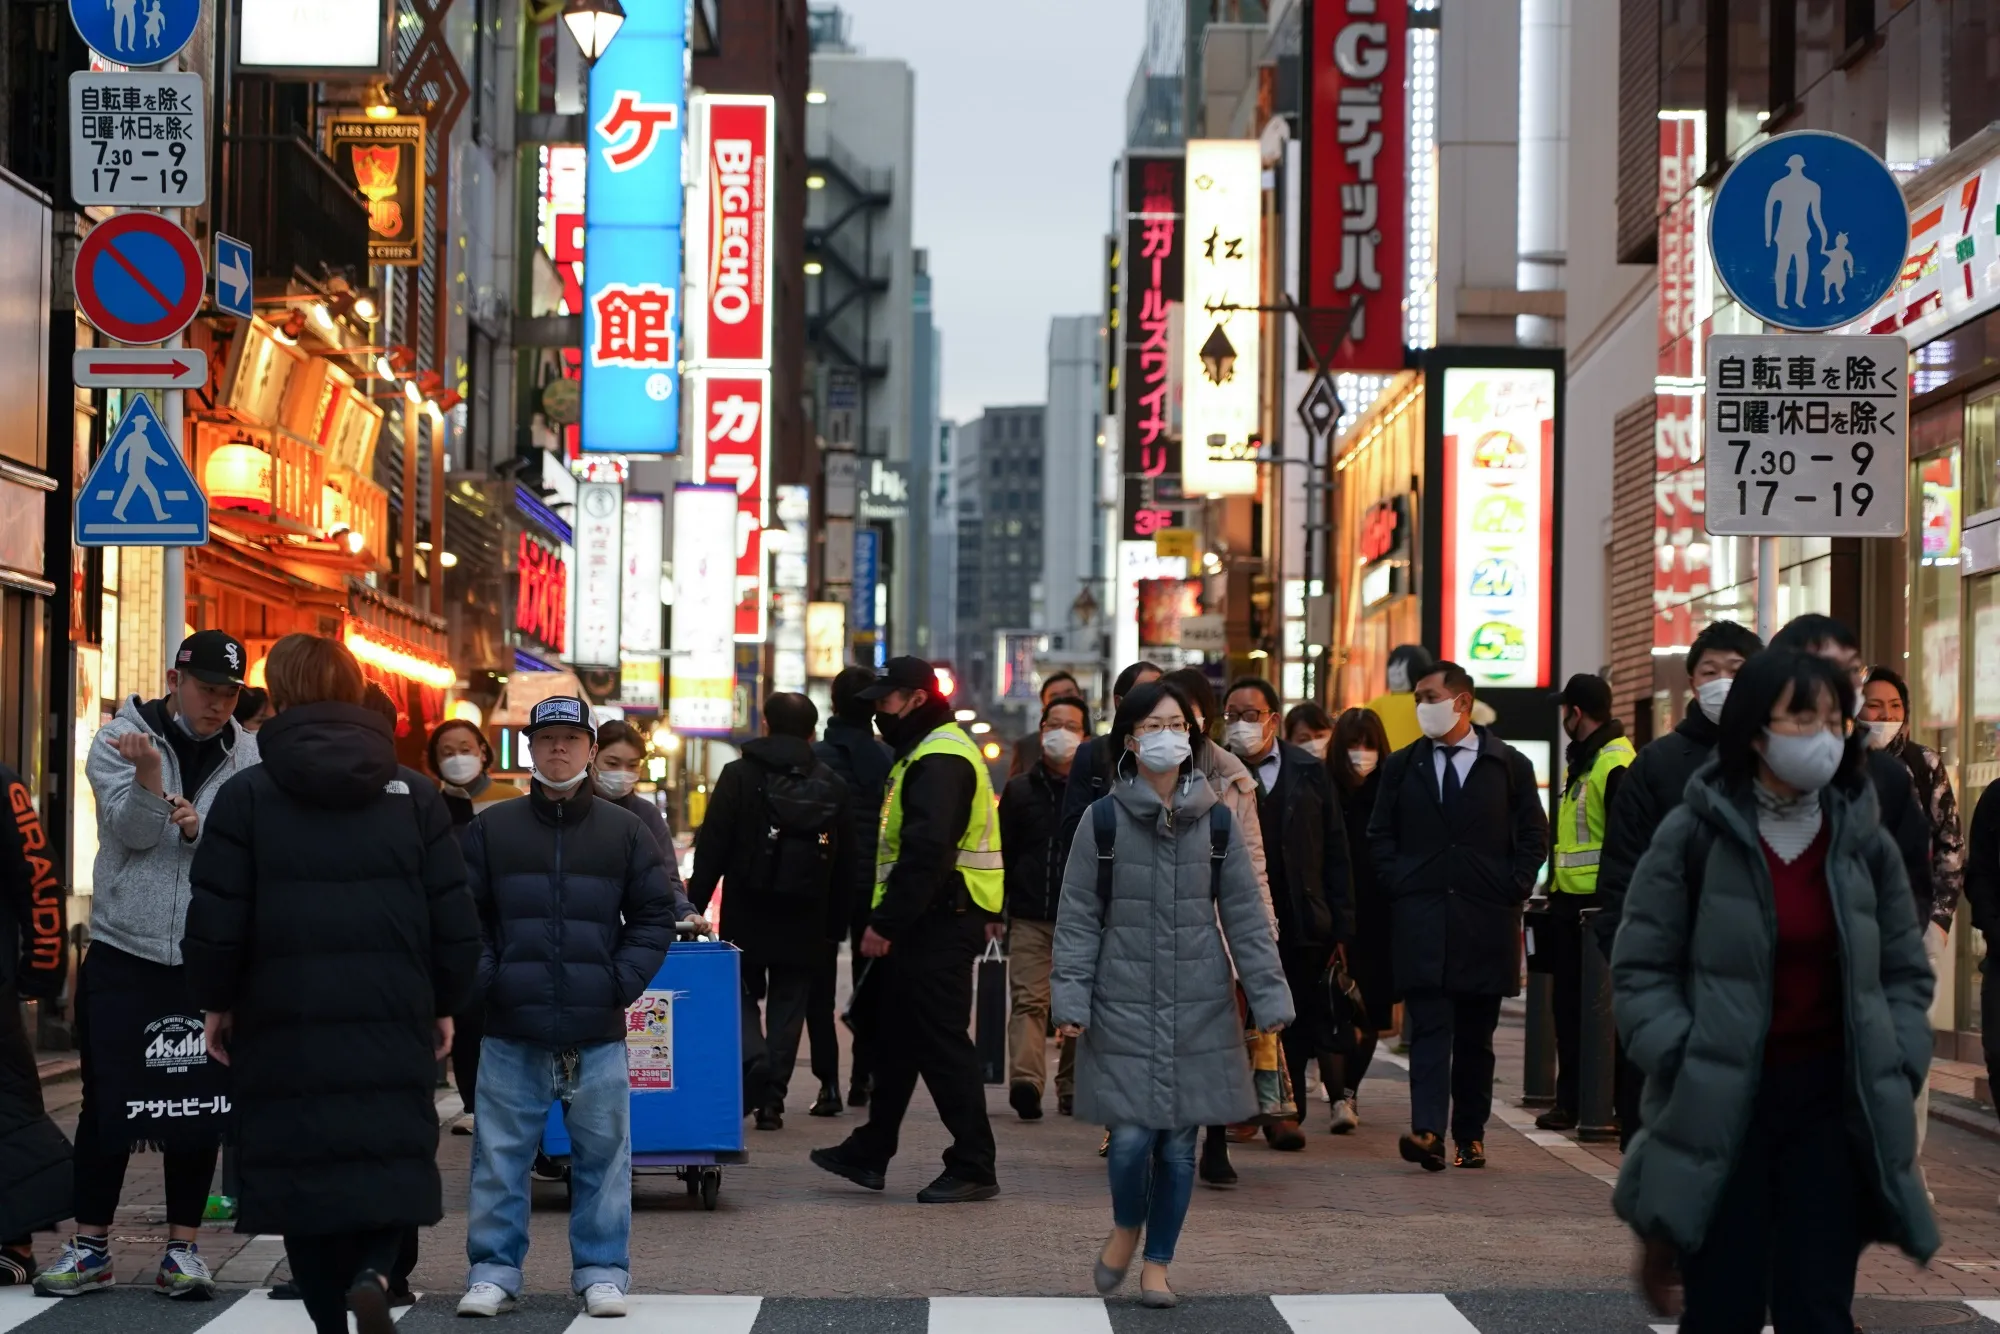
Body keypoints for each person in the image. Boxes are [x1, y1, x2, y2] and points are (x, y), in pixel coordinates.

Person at [1612, 649, 1937, 1328]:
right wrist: (1682, 1052)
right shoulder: (1695, 832)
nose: (1821, 733)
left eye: (1830, 717)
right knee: (1723, 1305)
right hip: (1723, 1107)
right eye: (1800, 717)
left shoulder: (1861, 840)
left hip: (1831, 1110)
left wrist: (1899, 1056)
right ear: (1756, 730)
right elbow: (1642, 966)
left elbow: (1905, 971)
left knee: (1817, 1308)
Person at [182, 634, 479, 1334]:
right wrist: (445, 1002)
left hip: (283, 1015)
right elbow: (454, 915)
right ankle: (376, 1272)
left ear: (278, 695)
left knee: (301, 1179)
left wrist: (216, 1001)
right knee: (386, 1158)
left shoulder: (249, 793)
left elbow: (218, 915)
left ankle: (327, 1322)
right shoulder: (416, 794)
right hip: (391, 1007)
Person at [1052, 679, 1292, 1310]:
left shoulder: (1215, 821)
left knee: (1180, 1148)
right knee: (1130, 1141)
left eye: (1178, 726)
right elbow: (1077, 918)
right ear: (1130, 740)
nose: (1168, 737)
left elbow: (1243, 913)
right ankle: (1127, 1223)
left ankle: (1158, 1264)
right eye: (1154, 727)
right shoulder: (1099, 821)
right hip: (1120, 1001)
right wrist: (1071, 1000)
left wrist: (1269, 998)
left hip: (1200, 1003)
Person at [39, 630, 259, 1299]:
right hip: (123, 947)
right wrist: (149, 783)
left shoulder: (247, 753)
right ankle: (90, 1245)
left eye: (229, 694)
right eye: (207, 690)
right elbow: (131, 834)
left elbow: (237, 848)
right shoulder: (119, 739)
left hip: (203, 953)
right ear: (174, 678)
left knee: (195, 1102)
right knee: (107, 1101)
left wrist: (196, 830)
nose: (218, 705)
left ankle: (183, 1251)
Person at [458, 695, 675, 1319]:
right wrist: (491, 980)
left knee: (604, 1159)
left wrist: (621, 980)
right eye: (547, 737)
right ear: (529, 747)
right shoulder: (491, 828)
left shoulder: (626, 830)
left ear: (587, 746)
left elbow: (655, 917)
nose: (559, 748)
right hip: (510, 1022)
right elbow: (462, 916)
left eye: (571, 738)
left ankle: (602, 1270)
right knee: (499, 1156)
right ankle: (493, 1270)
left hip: (597, 1023)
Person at [810, 657, 1002, 1204]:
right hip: (933, 916)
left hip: (938, 919)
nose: (877, 710)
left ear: (917, 698)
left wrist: (885, 925)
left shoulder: (939, 757)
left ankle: (973, 1162)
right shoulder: (923, 751)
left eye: (887, 699)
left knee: (940, 1041)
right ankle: (871, 1149)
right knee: (895, 1036)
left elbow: (925, 852)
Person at [1369, 660, 1548, 1172]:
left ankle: (1470, 1134)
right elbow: (1380, 835)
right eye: (1418, 699)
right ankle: (1427, 1131)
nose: (1422, 706)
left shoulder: (1508, 764)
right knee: (1427, 1029)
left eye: (1430, 696)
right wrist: (1398, 882)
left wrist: (1513, 884)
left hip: (1485, 920)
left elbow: (1534, 835)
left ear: (1462, 701)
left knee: (1475, 1037)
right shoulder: (1404, 766)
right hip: (1423, 916)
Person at [1594, 619, 1761, 1148]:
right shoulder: (1657, 765)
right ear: (1691, 684)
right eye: (1709, 671)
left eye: (1736, 671)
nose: (1722, 682)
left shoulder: (1785, 760)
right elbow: (1621, 870)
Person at [690, 693, 856, 1130]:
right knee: (790, 1003)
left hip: (748, 906)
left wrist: (692, 906)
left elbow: (713, 848)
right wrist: (837, 925)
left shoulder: (739, 775)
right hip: (808, 914)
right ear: (812, 732)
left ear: (764, 725)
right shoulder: (833, 785)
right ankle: (773, 1101)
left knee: (740, 993)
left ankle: (754, 1056)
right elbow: (847, 863)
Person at [1223, 677, 1351, 1144]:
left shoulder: (1308, 771)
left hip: (1300, 916)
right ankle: (1238, 1110)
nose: (1240, 724)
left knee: (1289, 1015)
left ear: (1273, 719)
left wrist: (1341, 922)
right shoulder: (1214, 772)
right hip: (1237, 914)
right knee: (1236, 1014)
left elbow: (1335, 848)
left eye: (1251, 714)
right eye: (1232, 714)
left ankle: (1284, 1110)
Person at [1161, 668, 1277, 1176]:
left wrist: (1263, 934)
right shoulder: (1140, 768)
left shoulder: (1233, 777)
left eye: (1186, 712)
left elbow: (1253, 862)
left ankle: (1214, 1142)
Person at [1862, 665, 1964, 1175]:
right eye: (1874, 705)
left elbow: (1950, 844)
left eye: (1895, 707)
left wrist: (1939, 923)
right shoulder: (1838, 763)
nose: (1885, 716)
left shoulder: (1924, 764)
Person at [1770, 615, 1933, 929]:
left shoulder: (1887, 777)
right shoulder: (1726, 780)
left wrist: (1882, 954)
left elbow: (1912, 887)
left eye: (1849, 670)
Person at [1538, 674, 1634, 1133]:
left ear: (1576, 713)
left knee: (1598, 1012)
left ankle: (1602, 1104)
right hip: (1569, 905)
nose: (1563, 718)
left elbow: (1622, 841)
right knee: (1570, 1010)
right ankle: (1572, 1100)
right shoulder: (1587, 760)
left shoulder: (1613, 763)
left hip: (1597, 910)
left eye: (1565, 711)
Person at [424, 718, 524, 1138]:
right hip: (452, 927)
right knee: (464, 1019)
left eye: (465, 747)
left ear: (484, 751)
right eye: (446, 752)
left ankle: (511, 1102)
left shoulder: (511, 799)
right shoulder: (426, 805)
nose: (457, 757)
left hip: (505, 923)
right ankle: (471, 1103)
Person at [998, 692, 1090, 1120]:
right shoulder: (1019, 791)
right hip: (1030, 913)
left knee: (1077, 1007)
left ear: (1086, 736)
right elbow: (1004, 854)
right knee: (1029, 1001)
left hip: (1082, 916)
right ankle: (1026, 1082)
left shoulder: (1097, 791)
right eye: (1054, 725)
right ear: (1041, 731)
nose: (1061, 734)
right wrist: (999, 912)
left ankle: (1072, 1086)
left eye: (1071, 727)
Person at [0, 757, 69, 1286]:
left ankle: (14, 1243)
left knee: (9, 1109)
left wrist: (43, 967)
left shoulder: (5, 785)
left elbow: (38, 872)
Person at [814, 665, 895, 1112]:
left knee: (820, 988)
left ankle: (828, 1086)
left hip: (825, 884)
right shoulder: (887, 760)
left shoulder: (817, 758)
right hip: (873, 887)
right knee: (869, 985)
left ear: (833, 704)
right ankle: (863, 1079)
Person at [1327, 708, 1395, 1130]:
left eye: (1369, 745)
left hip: (1379, 917)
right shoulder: (1323, 788)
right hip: (1332, 915)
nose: (1361, 754)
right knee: (1330, 1009)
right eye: (1353, 745)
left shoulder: (1391, 790)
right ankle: (1337, 1095)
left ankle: (1349, 1091)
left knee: (1369, 1012)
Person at [1058, 660, 1165, 861]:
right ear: (1119, 702)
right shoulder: (1092, 754)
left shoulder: (1175, 752)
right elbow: (1073, 830)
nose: (1155, 703)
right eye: (1144, 692)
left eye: (1162, 694)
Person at [1008, 671, 1082, 778]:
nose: (1064, 700)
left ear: (1081, 699)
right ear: (1044, 709)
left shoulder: (1102, 747)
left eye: (1069, 694)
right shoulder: (1026, 748)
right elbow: (1015, 791)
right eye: (1055, 698)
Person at [1363, 644, 1435, 753]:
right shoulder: (1431, 701)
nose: (1395, 676)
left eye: (1400, 671)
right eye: (1392, 670)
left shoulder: (1378, 704)